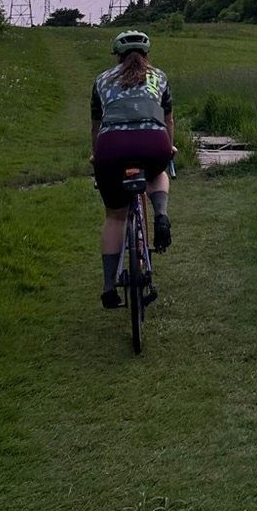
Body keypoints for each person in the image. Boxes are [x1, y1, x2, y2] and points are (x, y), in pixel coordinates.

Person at [90, 30, 174, 309]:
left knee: (115, 217)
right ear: (148, 55)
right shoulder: (159, 77)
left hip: (112, 147)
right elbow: (168, 119)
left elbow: (96, 125)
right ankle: (161, 214)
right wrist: (168, 148)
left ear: (117, 56)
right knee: (158, 170)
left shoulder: (102, 79)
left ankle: (108, 287)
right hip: (153, 142)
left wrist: (97, 156)